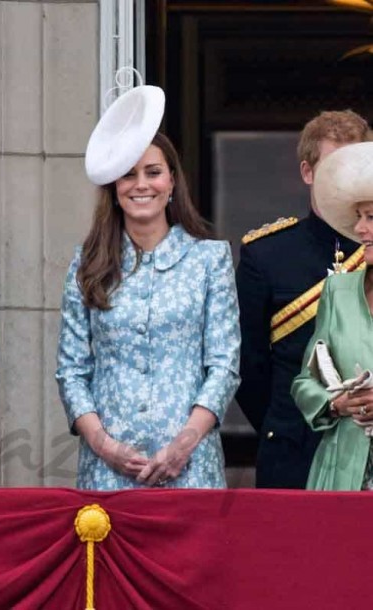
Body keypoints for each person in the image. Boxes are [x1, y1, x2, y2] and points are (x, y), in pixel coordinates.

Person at [56, 84, 240, 490]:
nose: (141, 185)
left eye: (153, 172)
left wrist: (183, 446)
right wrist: (105, 447)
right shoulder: (87, 263)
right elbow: (71, 371)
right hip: (108, 471)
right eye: (128, 175)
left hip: (191, 467)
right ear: (114, 189)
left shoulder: (209, 260)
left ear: (172, 182)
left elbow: (224, 366)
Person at [236, 109, 369, 488]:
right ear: (308, 173)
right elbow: (250, 365)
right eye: (334, 168)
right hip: (295, 449)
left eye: (357, 166)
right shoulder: (266, 253)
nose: (349, 180)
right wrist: (286, 424)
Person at [292, 141, 373, 490]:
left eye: (372, 218)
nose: (360, 229)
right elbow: (305, 381)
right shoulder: (337, 292)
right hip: (341, 473)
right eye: (359, 217)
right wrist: (335, 402)